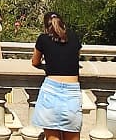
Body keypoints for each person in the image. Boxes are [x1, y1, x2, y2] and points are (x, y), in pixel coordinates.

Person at [31, 12, 82, 140]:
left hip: (51, 90)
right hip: (72, 92)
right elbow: (76, 57)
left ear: (45, 26)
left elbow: (35, 62)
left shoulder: (43, 38)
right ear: (62, 23)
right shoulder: (74, 37)